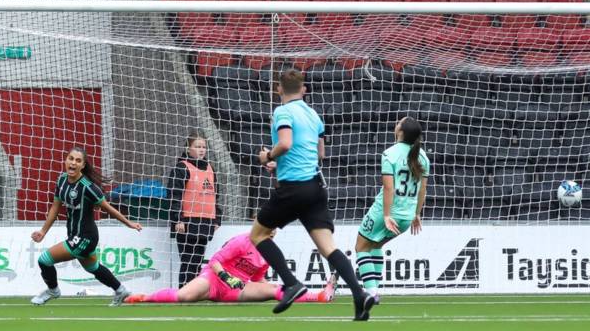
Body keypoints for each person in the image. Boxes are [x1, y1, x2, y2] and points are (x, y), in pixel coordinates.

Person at [250, 69, 375, 321]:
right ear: (303, 89)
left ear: (279, 89)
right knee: (329, 247)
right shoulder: (313, 114)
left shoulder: (282, 111)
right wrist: (281, 164)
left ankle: (291, 283)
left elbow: (285, 143)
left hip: (293, 188)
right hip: (316, 187)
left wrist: (268, 157)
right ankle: (359, 294)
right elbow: (320, 154)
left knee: (258, 234)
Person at [30, 147, 142, 306]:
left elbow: (107, 207)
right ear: (66, 160)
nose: (73, 163)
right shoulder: (61, 180)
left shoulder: (88, 187)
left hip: (85, 236)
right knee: (93, 268)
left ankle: (53, 290)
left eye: (78, 160)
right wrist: (43, 231)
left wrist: (129, 223)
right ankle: (120, 290)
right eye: (71, 158)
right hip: (74, 234)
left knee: (44, 260)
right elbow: (55, 208)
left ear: (83, 165)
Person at [124, 232, 337, 304]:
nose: (271, 233)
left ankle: (319, 296)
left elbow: (258, 279)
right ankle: (144, 297)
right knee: (184, 297)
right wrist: (226, 277)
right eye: (268, 228)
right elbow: (214, 261)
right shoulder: (242, 241)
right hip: (214, 279)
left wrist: (265, 286)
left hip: (237, 289)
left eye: (274, 230)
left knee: (273, 290)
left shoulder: (270, 252)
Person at [355, 117, 430, 303]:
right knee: (376, 246)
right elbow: (423, 190)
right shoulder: (424, 157)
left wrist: (387, 215)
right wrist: (417, 214)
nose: (396, 124)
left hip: (385, 213)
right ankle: (374, 291)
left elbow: (389, 188)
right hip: (406, 218)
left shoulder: (390, 154)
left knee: (361, 248)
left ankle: (371, 294)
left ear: (401, 131)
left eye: (399, 122)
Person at [168, 135, 222, 288]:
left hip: (205, 221)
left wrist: (217, 218)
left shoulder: (210, 168)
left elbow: (215, 195)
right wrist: (177, 219)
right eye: (198, 147)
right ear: (188, 148)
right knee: (187, 260)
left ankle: (195, 292)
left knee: (198, 260)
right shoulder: (181, 168)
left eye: (203, 147)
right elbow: (174, 194)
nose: (202, 150)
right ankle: (184, 291)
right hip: (187, 221)